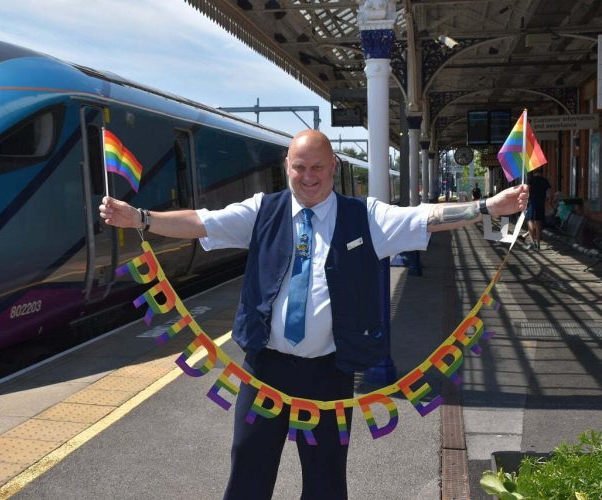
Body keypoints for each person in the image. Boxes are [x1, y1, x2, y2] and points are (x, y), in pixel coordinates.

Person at [99, 130, 528, 500]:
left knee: (325, 480)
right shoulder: (262, 211)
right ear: (287, 166)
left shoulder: (366, 217)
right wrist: (141, 217)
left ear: (333, 166)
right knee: (248, 469)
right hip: (262, 370)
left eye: (317, 168)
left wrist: (487, 207)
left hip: (329, 373)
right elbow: (201, 222)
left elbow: (427, 217)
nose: (308, 178)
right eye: (299, 168)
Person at [525, 171, 551, 250]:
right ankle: (538, 243)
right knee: (539, 222)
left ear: (534, 174)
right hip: (541, 204)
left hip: (531, 203)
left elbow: (527, 190)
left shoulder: (531, 179)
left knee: (530, 221)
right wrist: (548, 200)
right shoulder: (545, 180)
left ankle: (532, 242)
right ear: (541, 174)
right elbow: (549, 193)